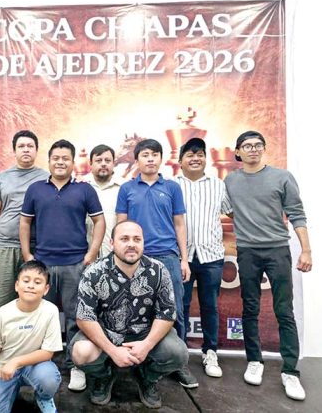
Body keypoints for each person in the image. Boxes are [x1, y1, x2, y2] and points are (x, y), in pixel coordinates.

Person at [225, 131, 312, 401]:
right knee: (250, 308)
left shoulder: (282, 177)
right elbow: (229, 209)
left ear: (263, 149)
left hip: (277, 250)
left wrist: (306, 250)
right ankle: (254, 360)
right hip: (247, 252)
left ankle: (290, 371)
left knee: (284, 310)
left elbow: (297, 214)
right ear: (238, 152)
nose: (253, 149)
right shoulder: (230, 181)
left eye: (258, 145)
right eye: (247, 146)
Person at [71, 220, 188, 408]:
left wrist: (147, 345)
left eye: (137, 239)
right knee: (81, 353)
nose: (131, 244)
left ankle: (147, 377)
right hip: (106, 333)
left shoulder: (158, 270)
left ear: (143, 243)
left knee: (178, 353)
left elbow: (167, 314)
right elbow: (84, 318)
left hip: (144, 334)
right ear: (112, 243)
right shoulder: (94, 272)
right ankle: (104, 376)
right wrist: (112, 350)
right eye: (124, 239)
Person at [20, 139, 105, 392]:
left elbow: (99, 221)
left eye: (65, 158)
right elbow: (25, 223)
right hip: (42, 265)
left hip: (74, 265)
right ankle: (38, 363)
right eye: (55, 158)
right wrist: (27, 255)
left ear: (72, 162)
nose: (60, 162)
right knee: (39, 316)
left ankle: (75, 365)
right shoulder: (35, 189)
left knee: (75, 318)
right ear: (49, 161)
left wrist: (91, 254)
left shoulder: (84, 190)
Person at [115, 138, 197, 388]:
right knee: (131, 309)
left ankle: (179, 364)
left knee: (175, 310)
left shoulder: (172, 188)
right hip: (135, 258)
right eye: (145, 155)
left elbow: (179, 224)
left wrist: (184, 259)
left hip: (167, 256)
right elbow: (121, 225)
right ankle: (130, 358)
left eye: (154, 154)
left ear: (161, 159)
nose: (150, 159)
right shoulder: (127, 189)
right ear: (137, 160)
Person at [175, 138, 233, 378]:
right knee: (180, 307)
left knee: (210, 306)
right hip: (182, 256)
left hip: (212, 256)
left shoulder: (218, 185)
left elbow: (232, 212)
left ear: (205, 159)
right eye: (190, 155)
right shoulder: (172, 185)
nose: (195, 158)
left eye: (200, 154)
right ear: (180, 161)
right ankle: (180, 356)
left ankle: (210, 352)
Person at [0, 260, 63, 413]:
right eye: (26, 281)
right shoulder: (2, 313)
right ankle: (7, 392)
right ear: (17, 285)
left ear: (46, 289)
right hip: (3, 368)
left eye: (37, 282)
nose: (31, 286)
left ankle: (44, 397)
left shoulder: (50, 310)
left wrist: (16, 362)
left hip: (35, 365)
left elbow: (48, 352)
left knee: (49, 378)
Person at [0, 130, 49, 308]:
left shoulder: (46, 178)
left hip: (36, 247)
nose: (26, 149)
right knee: (3, 299)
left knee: (34, 299)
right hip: (6, 246)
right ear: (14, 151)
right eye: (21, 146)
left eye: (30, 146)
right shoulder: (3, 177)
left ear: (36, 150)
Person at [83, 144, 124, 258]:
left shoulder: (124, 188)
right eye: (98, 160)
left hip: (114, 254)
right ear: (90, 163)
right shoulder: (80, 186)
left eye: (107, 160)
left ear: (113, 163)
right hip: (85, 254)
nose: (103, 164)